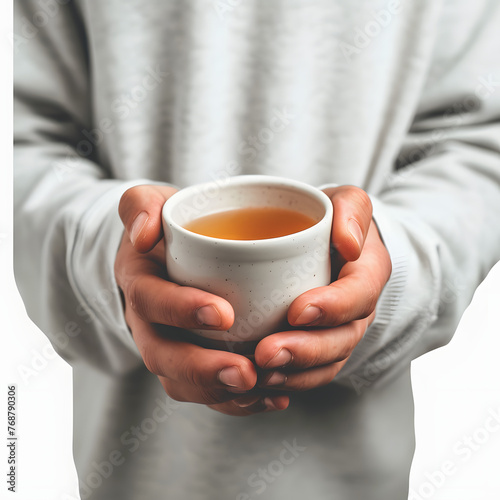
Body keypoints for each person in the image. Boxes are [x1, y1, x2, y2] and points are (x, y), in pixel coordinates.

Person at [14, 1, 500, 499]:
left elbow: (476, 139)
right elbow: (21, 141)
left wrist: (388, 274)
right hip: (132, 472)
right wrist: (110, 257)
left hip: (356, 477)